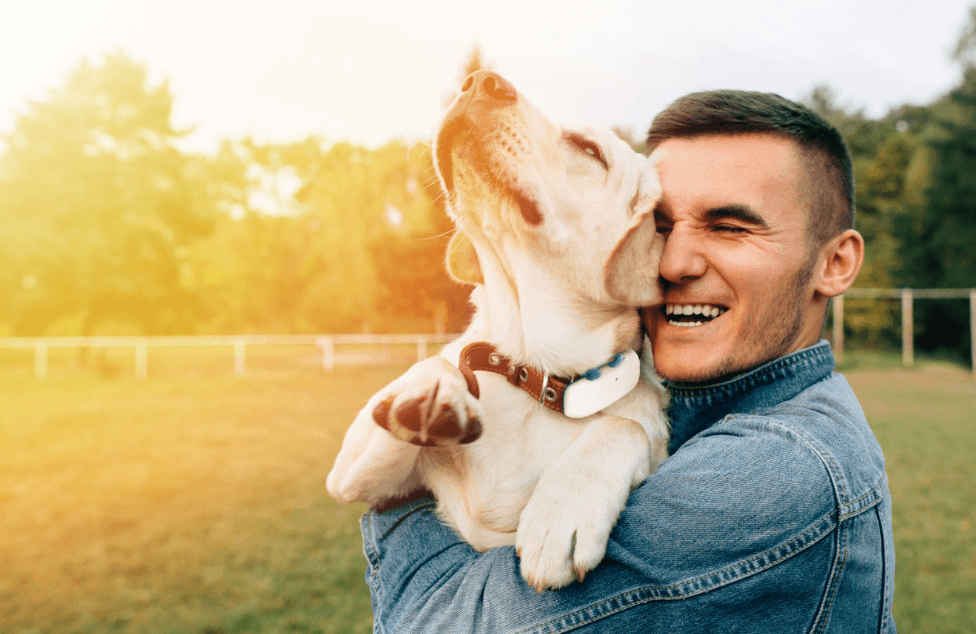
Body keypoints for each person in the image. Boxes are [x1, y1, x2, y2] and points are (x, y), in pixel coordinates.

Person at [354, 90, 896, 633]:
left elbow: (439, 622)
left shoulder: (780, 471)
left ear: (836, 263)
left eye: (730, 227)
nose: (673, 262)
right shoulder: (671, 410)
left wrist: (402, 484)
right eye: (659, 226)